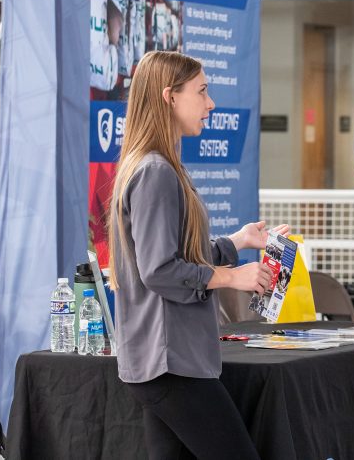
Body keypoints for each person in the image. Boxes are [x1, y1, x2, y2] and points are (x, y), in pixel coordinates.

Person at [108, 50, 281, 460]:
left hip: (165, 360)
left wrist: (237, 242)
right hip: (170, 361)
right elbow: (160, 270)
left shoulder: (157, 167)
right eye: (202, 92)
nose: (211, 104)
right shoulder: (156, 172)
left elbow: (181, 253)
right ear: (170, 97)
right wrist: (231, 277)